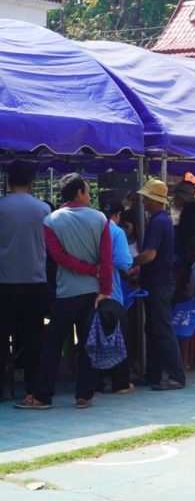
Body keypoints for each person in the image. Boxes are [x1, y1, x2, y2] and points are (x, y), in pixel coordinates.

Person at [16, 173, 113, 410]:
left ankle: (42, 396)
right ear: (79, 192)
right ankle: (84, 395)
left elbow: (58, 257)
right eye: (87, 190)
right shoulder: (100, 218)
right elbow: (107, 258)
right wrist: (104, 287)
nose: (89, 195)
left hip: (67, 292)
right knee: (88, 344)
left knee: (52, 344)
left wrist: (88, 270)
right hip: (93, 292)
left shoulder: (51, 220)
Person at [0, 161, 52, 402]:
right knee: (33, 338)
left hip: (4, 281)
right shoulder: (44, 209)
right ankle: (33, 389)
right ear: (32, 183)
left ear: (9, 181)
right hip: (35, 281)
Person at [133, 179, 187, 390]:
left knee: (162, 329)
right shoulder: (163, 220)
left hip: (158, 282)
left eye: (146, 197)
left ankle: (176, 376)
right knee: (154, 329)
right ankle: (153, 374)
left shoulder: (157, 221)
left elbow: (150, 254)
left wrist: (130, 263)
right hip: (157, 281)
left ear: (154, 200)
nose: (143, 201)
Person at [94, 203, 136, 395]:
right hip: (111, 291)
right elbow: (123, 261)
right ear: (118, 215)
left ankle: (94, 383)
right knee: (116, 336)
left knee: (92, 336)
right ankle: (120, 383)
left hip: (88, 289)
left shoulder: (91, 228)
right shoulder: (116, 232)